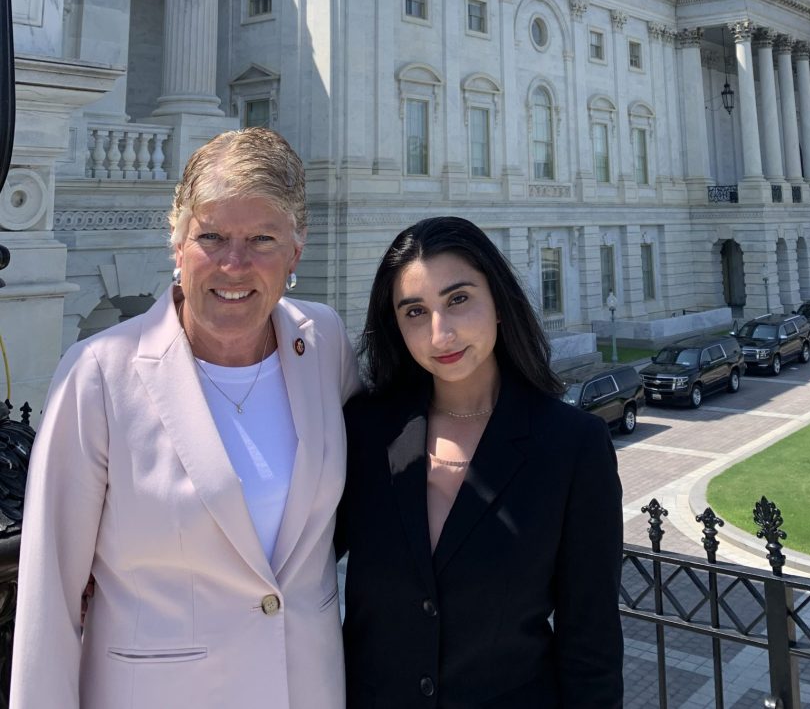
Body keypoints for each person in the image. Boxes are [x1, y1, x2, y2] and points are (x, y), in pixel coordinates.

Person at [11, 127, 359, 709]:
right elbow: (49, 595)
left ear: (295, 253)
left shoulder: (324, 343)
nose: (233, 263)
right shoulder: (99, 374)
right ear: (177, 245)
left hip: (307, 688)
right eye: (211, 236)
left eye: (262, 238)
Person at [340, 216, 624, 709]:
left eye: (458, 299)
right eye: (415, 312)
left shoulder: (572, 445)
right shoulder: (365, 431)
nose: (440, 334)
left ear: (499, 302)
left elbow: (590, 641)